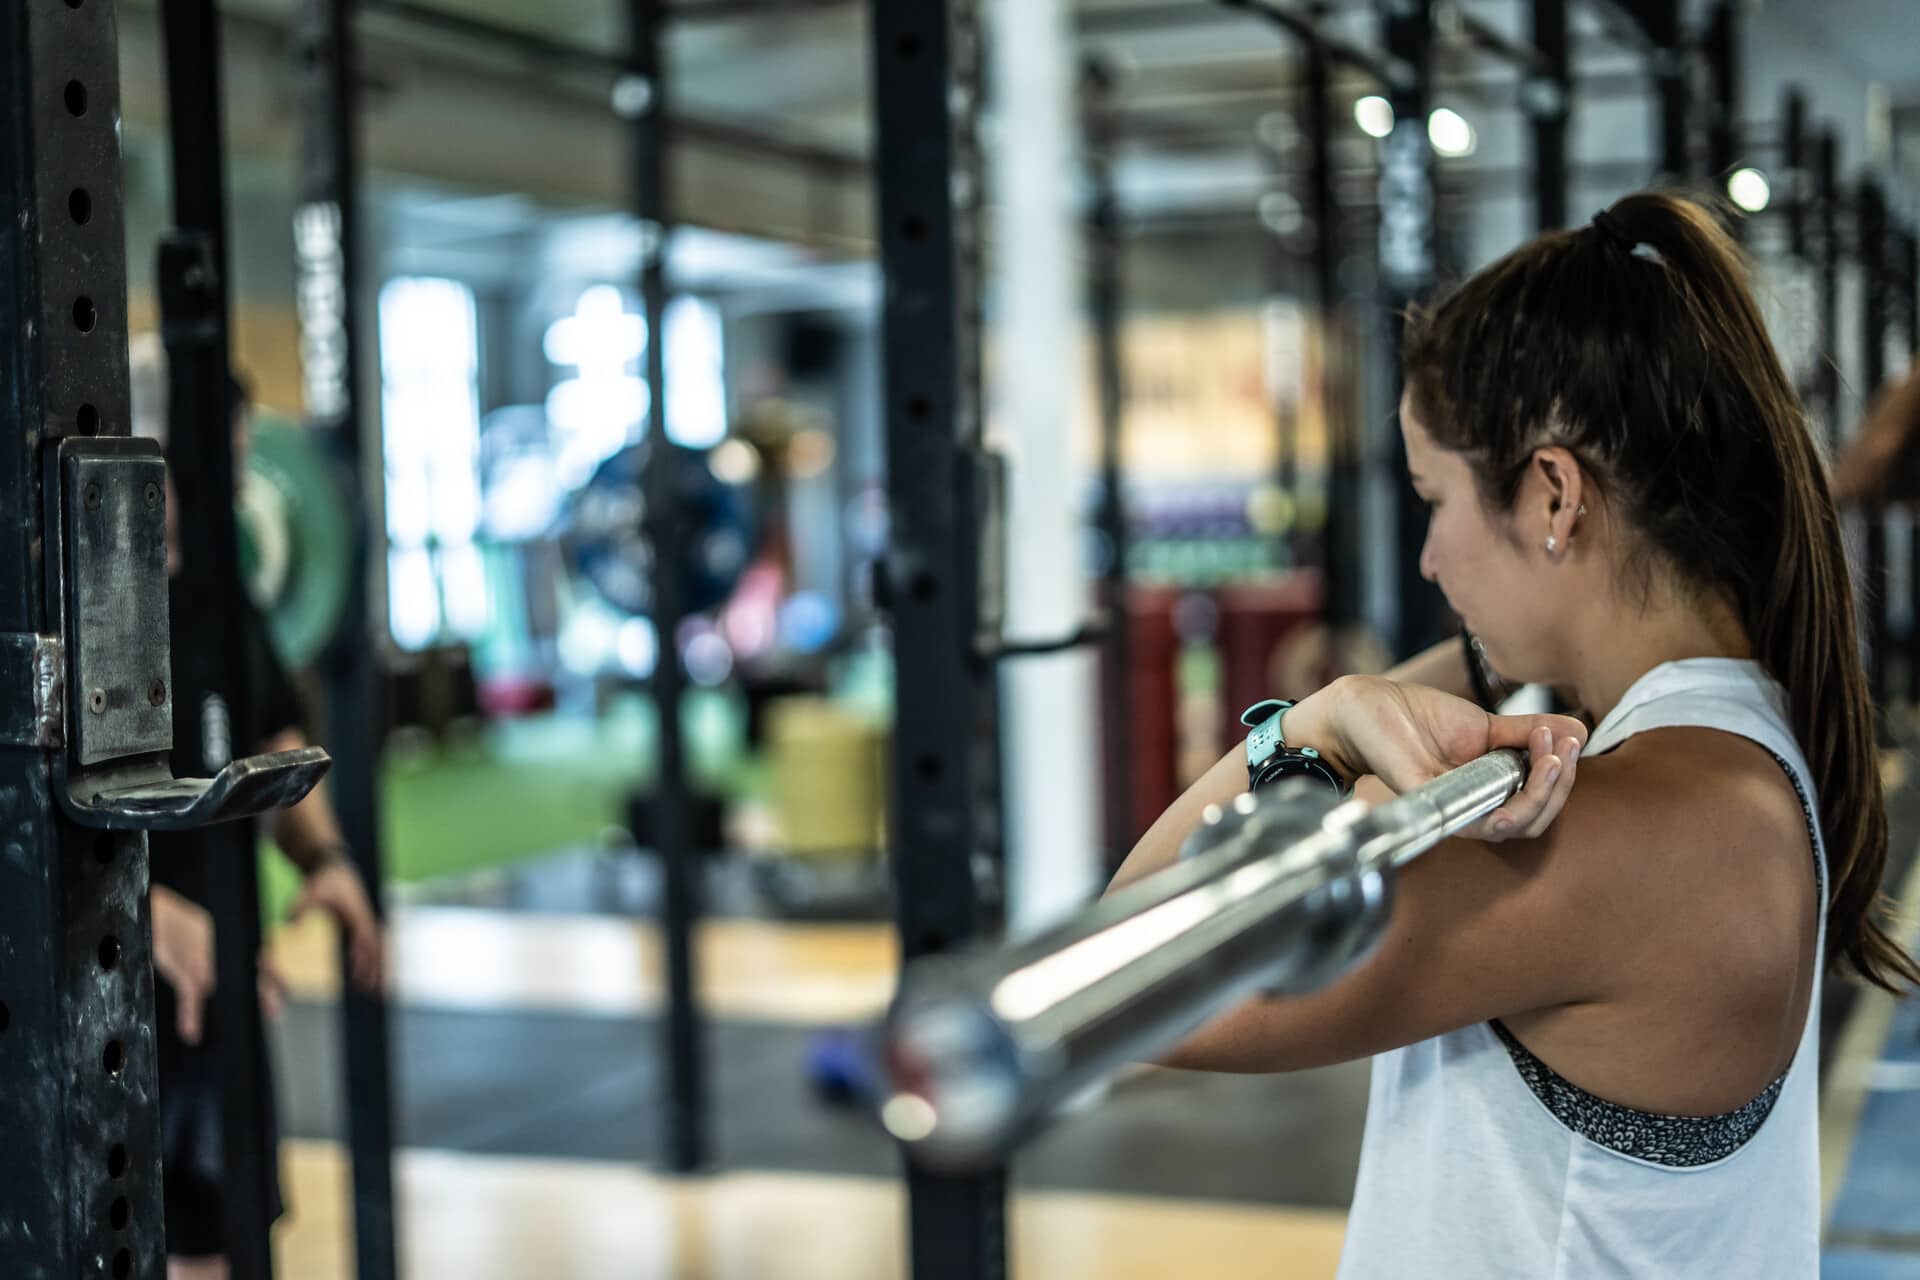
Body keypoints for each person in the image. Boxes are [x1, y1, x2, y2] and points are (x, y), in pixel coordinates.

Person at [1109, 192, 1920, 1278]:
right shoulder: (1722, 745)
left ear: (1552, 494)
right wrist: (1397, 688)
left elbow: (1129, 976)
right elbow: (1515, 667)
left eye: (1433, 499)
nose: (1431, 559)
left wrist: (1308, 725)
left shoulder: (1634, 830)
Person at [129, 337, 386, 1280]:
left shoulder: (218, 593)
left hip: (223, 985)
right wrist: (145, 913)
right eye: (223, 449)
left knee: (230, 1244)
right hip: (109, 997)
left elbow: (271, 735)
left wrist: (327, 861)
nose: (240, 471)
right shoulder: (68, 600)